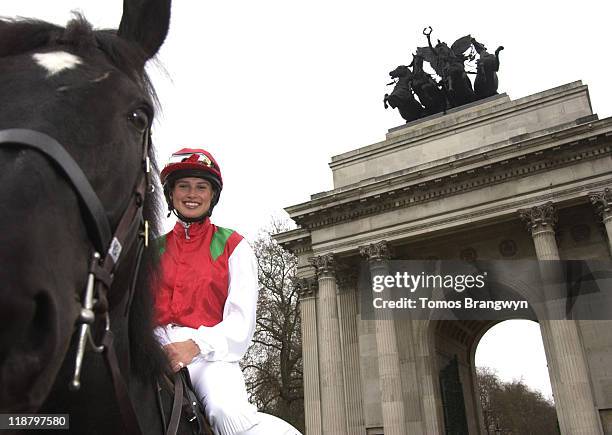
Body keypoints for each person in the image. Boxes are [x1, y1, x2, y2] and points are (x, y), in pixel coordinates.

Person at [152, 148, 301, 435]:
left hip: (210, 358)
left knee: (225, 412)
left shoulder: (234, 246)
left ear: (212, 195)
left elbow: (240, 324)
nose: (191, 194)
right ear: (171, 194)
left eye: (201, 187)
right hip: (153, 351)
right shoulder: (152, 250)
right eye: (183, 186)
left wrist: (193, 346)